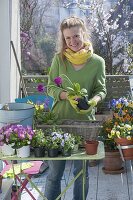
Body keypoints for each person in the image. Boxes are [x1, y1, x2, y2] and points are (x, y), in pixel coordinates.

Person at [45, 16, 106, 200]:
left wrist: (92, 102)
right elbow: (50, 87)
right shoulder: (59, 60)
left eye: (76, 36)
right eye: (67, 38)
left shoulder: (97, 62)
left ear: (83, 34)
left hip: (84, 126)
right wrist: (66, 96)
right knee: (54, 174)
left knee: (81, 174)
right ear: (63, 40)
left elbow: (101, 90)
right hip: (59, 123)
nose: (72, 42)